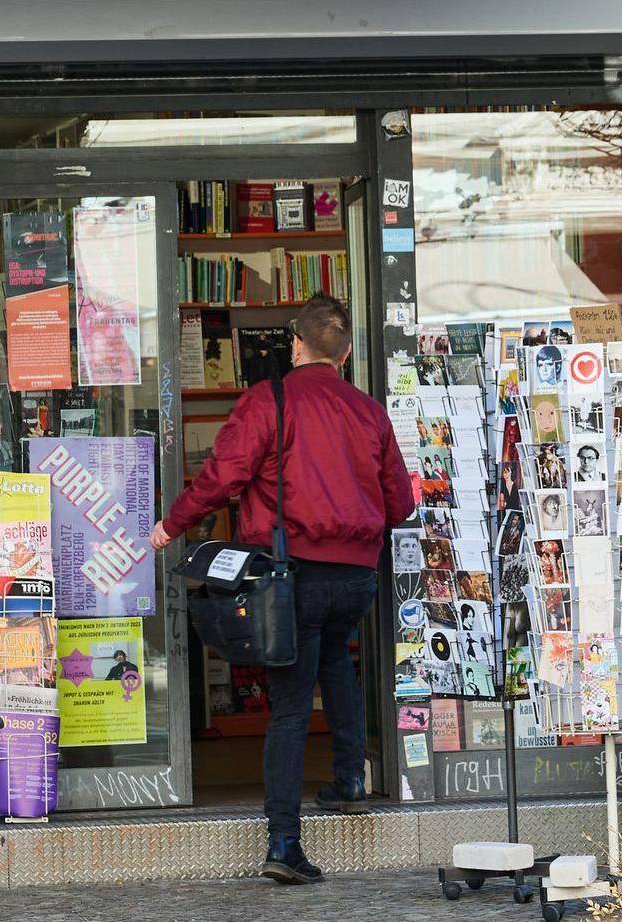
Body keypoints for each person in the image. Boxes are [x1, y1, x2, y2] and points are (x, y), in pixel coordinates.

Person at [149, 296, 415, 885]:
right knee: (338, 665)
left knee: (291, 706)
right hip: (355, 578)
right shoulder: (370, 412)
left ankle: (283, 843)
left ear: (296, 346)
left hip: (291, 575)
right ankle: (350, 779)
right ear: (344, 354)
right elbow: (401, 503)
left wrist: (172, 525)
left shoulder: (268, 400)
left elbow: (223, 477)